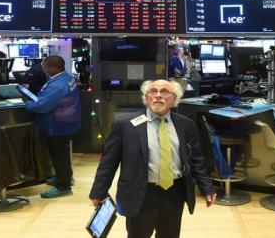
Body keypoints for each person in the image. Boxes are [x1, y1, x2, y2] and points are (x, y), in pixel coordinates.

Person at [89, 79, 216, 238]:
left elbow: (196, 159)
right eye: (153, 91)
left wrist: (207, 186)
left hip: (175, 192)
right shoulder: (125, 125)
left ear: (174, 99)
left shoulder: (186, 125)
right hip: (140, 193)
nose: (158, 96)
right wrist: (98, 191)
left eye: (164, 92)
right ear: (146, 97)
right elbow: (108, 163)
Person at [24, 55, 81, 198]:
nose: (42, 69)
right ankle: (65, 177)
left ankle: (64, 186)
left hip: (57, 124)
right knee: (62, 154)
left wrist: (28, 104)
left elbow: (41, 107)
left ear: (53, 68)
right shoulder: (67, 78)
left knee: (59, 155)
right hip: (67, 122)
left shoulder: (57, 85)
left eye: (44, 66)